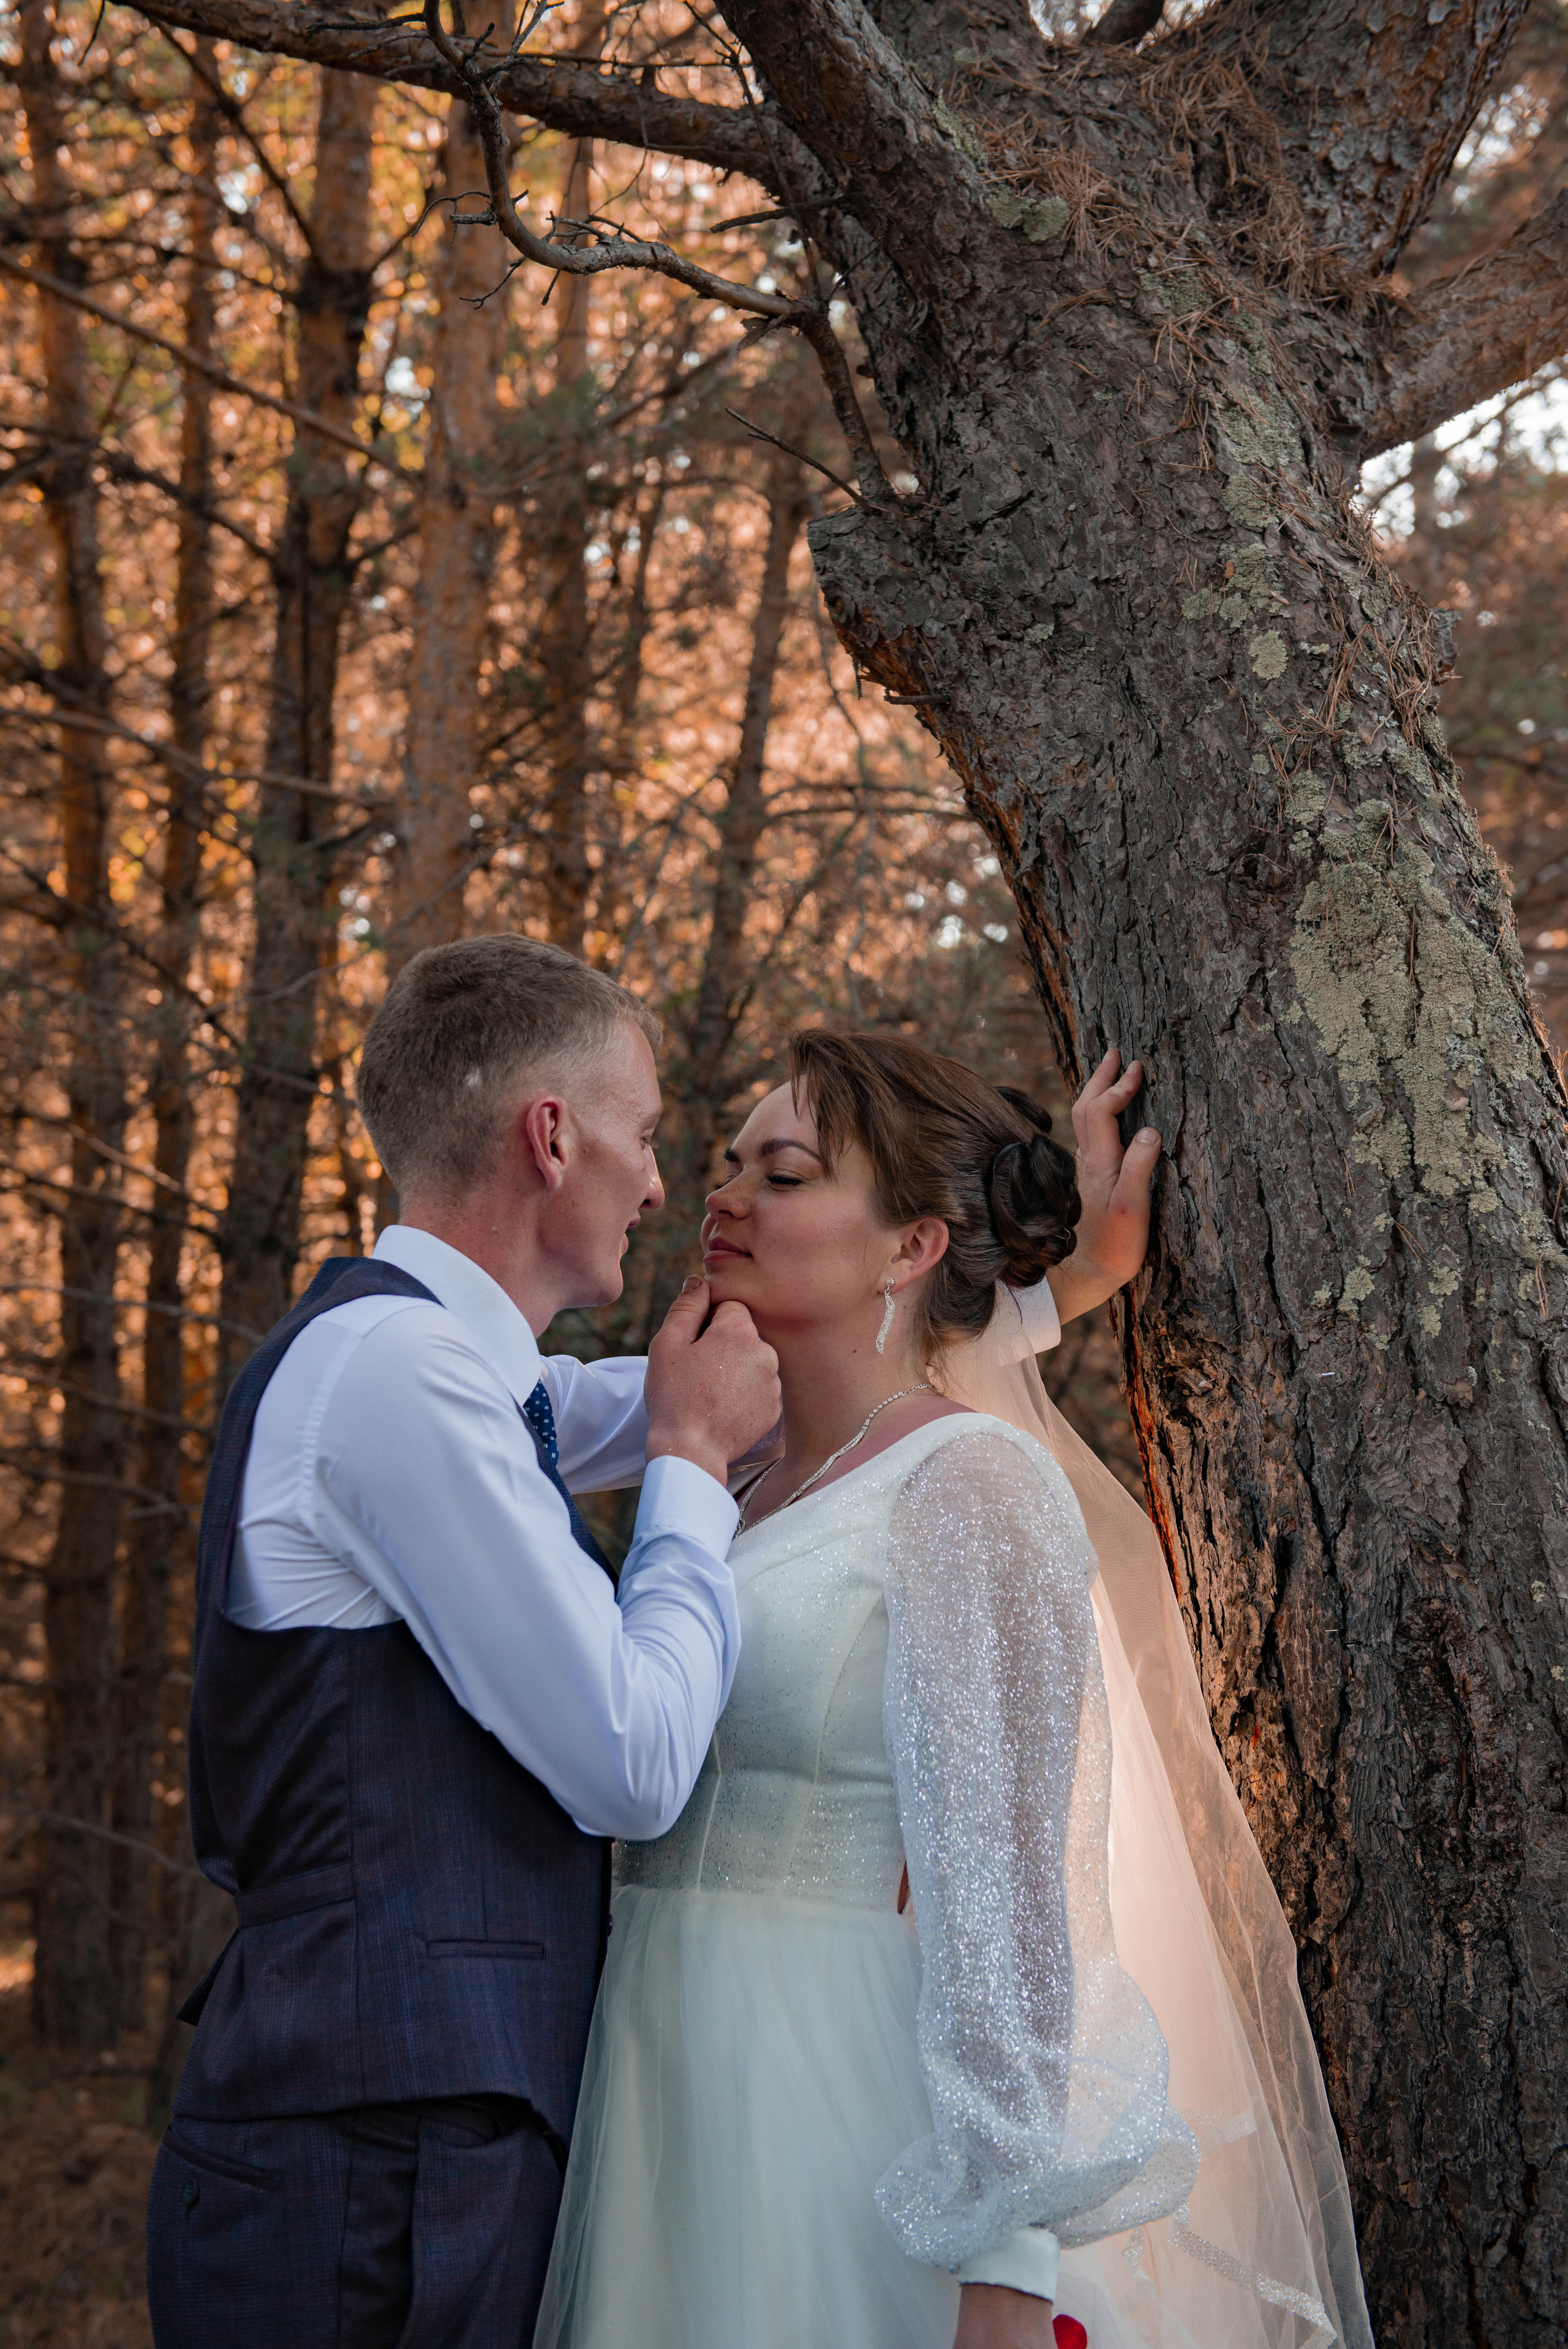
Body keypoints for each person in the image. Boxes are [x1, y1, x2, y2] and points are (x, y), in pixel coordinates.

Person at [534, 1031, 1374, 2349]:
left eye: (787, 1172)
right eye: (729, 1162)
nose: (726, 1195)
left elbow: (1005, 1884)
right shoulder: (722, 1481)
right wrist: (1076, 1278)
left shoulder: (967, 1484)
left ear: (911, 1246)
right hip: (655, 2068)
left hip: (828, 2091)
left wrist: (1006, 2255)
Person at [145, 935, 782, 2348]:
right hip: (365, 2184)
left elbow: (677, 1397)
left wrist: (1014, 1303)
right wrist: (685, 1464)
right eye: (643, 1133)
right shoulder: (401, 1378)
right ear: (549, 1138)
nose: (664, 1180)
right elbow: (631, 1760)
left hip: (409, 2151)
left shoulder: (453, 1374)